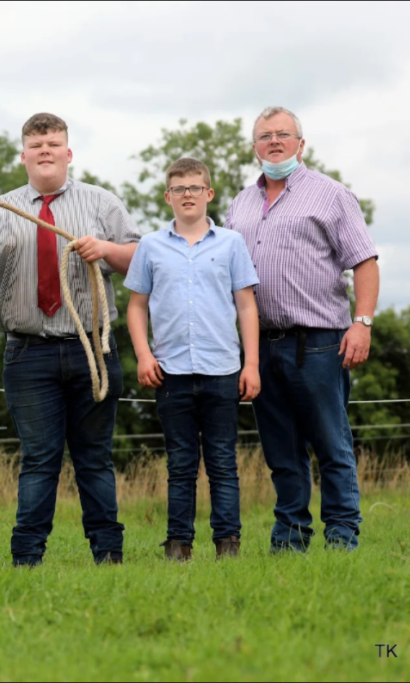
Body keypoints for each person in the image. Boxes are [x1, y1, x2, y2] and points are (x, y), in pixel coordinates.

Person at [0, 112, 141, 567]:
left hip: (92, 349)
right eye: (37, 144)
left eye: (54, 143)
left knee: (94, 459)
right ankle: (26, 560)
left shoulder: (102, 203)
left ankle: (108, 555)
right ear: (23, 155)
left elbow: (139, 258)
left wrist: (107, 250)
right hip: (27, 353)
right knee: (39, 459)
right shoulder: (0, 209)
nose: (46, 151)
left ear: (68, 153)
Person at [225, 106, 380, 552]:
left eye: (283, 134)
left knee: (331, 445)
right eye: (265, 136)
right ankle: (289, 538)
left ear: (301, 143)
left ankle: (341, 538)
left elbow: (364, 262)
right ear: (254, 147)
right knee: (281, 451)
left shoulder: (331, 195)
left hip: (319, 343)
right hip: (260, 345)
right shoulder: (240, 203)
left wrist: (362, 323)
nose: (274, 142)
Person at [124, 157, 260, 561]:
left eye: (195, 188)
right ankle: (178, 544)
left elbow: (247, 306)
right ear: (168, 197)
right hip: (171, 371)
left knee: (222, 461)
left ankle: (228, 544)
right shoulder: (150, 246)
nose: (188, 195)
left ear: (209, 194)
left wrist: (250, 364)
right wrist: (144, 355)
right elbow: (136, 307)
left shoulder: (232, 243)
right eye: (179, 189)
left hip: (222, 369)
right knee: (180, 463)